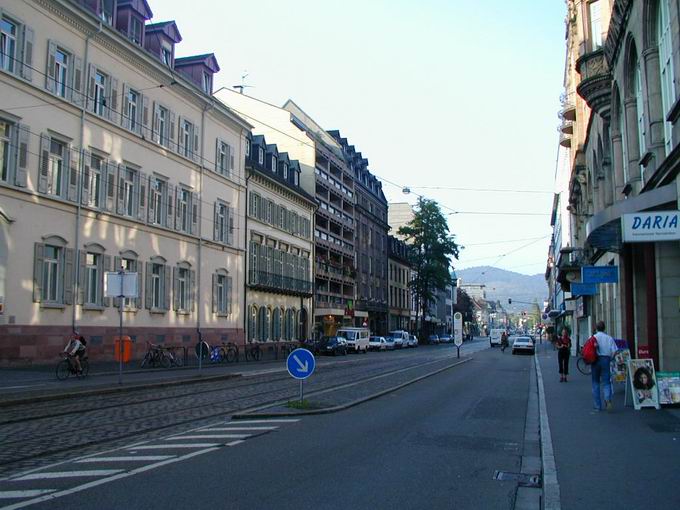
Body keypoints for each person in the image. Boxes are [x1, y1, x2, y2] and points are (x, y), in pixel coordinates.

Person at [591, 321, 619, 411]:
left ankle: (597, 406)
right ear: (604, 328)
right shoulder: (609, 338)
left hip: (595, 360)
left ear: (596, 328)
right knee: (606, 382)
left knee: (595, 383)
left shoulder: (593, 337)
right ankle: (607, 400)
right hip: (606, 359)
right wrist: (611, 358)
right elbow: (615, 351)